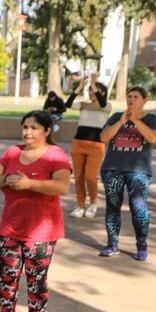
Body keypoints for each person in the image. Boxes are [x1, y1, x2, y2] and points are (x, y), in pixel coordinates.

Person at [0, 110, 71, 312]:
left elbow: (62, 186)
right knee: (7, 277)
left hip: (41, 233)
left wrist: (29, 184)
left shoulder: (56, 155)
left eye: (34, 128)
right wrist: (7, 180)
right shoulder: (13, 152)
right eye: (25, 127)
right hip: (11, 228)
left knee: (36, 281)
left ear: (47, 130)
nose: (28, 132)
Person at [98, 87, 156, 261]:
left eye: (136, 97)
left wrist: (135, 120)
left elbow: (153, 138)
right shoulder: (117, 116)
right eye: (129, 96)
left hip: (139, 171)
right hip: (112, 168)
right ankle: (112, 244)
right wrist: (122, 121)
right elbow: (103, 137)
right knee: (113, 206)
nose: (131, 100)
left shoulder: (151, 118)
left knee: (138, 207)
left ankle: (141, 244)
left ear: (144, 100)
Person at [64, 73, 109, 218]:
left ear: (102, 92)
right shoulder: (83, 105)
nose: (91, 92)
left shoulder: (106, 106)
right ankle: (80, 205)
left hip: (96, 145)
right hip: (78, 143)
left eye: (94, 90)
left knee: (90, 176)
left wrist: (93, 83)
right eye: (89, 90)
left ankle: (93, 203)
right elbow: (67, 104)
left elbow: (102, 102)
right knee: (78, 177)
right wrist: (80, 87)